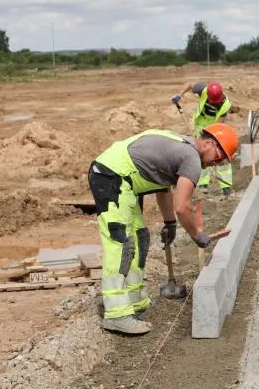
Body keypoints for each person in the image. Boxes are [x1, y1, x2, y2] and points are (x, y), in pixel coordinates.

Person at [87, 124, 240, 335]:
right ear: (209, 143)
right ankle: (117, 314)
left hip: (124, 183)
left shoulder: (182, 148)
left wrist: (169, 223)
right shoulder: (191, 158)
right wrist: (197, 236)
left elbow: (163, 190)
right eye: (220, 155)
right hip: (111, 176)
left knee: (139, 239)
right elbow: (183, 206)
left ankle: (133, 301)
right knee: (121, 243)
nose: (218, 162)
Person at [171, 81, 234, 196]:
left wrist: (210, 138)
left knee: (219, 154)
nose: (213, 102)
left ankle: (226, 186)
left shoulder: (225, 106)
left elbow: (218, 125)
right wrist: (179, 95)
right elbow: (189, 84)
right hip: (199, 124)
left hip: (214, 126)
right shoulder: (204, 90)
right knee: (200, 153)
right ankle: (202, 184)